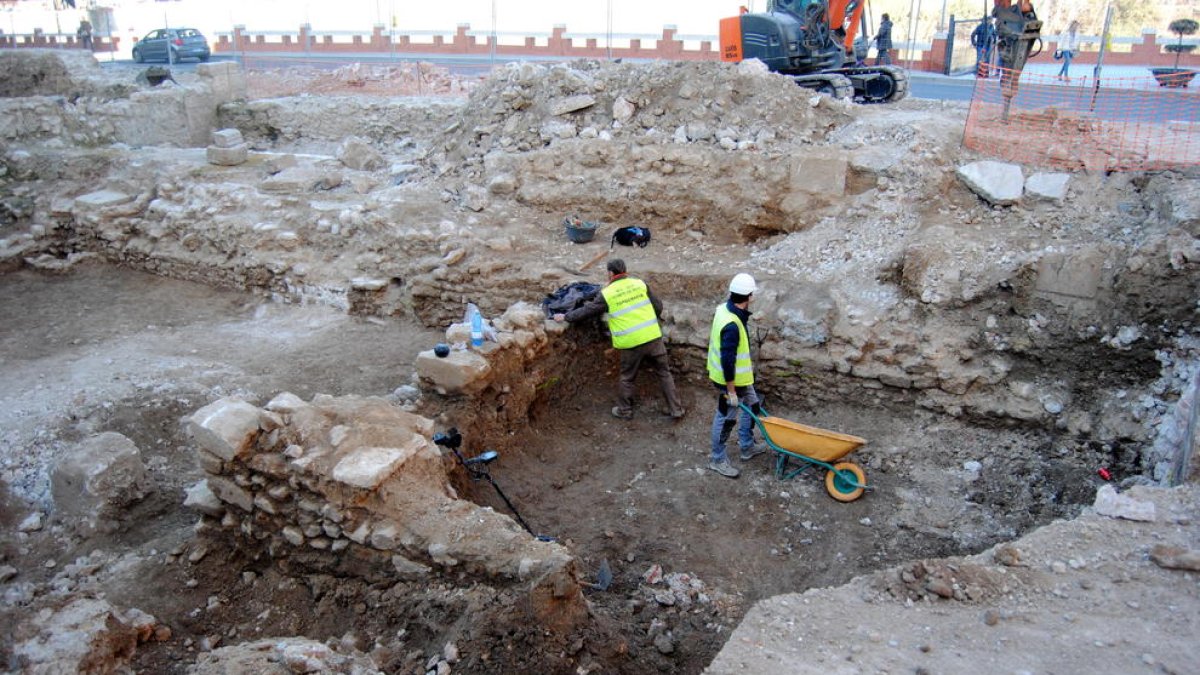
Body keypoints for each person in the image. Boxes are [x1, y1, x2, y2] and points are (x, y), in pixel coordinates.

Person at [553, 259, 685, 421]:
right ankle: (676, 409)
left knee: (627, 377)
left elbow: (589, 310)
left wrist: (566, 316)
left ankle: (624, 410)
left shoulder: (608, 293)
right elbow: (657, 306)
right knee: (664, 373)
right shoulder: (639, 284)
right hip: (653, 337)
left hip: (631, 343)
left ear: (610, 273)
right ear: (625, 270)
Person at [706, 273, 768, 479]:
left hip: (742, 379)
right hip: (729, 381)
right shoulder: (732, 324)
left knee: (753, 405)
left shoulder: (725, 309)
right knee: (725, 419)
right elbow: (727, 360)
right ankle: (717, 459)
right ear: (749, 296)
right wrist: (731, 390)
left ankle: (747, 446)